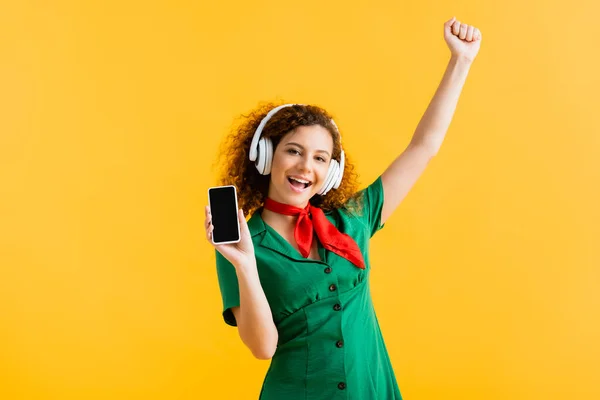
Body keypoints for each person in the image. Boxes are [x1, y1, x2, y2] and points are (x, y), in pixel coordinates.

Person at [205, 17, 482, 400]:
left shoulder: (352, 219)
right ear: (265, 155)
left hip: (373, 390)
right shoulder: (239, 245)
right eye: (294, 151)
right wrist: (247, 267)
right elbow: (263, 347)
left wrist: (461, 61)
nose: (306, 167)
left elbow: (424, 147)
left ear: (332, 172)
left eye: (321, 158)